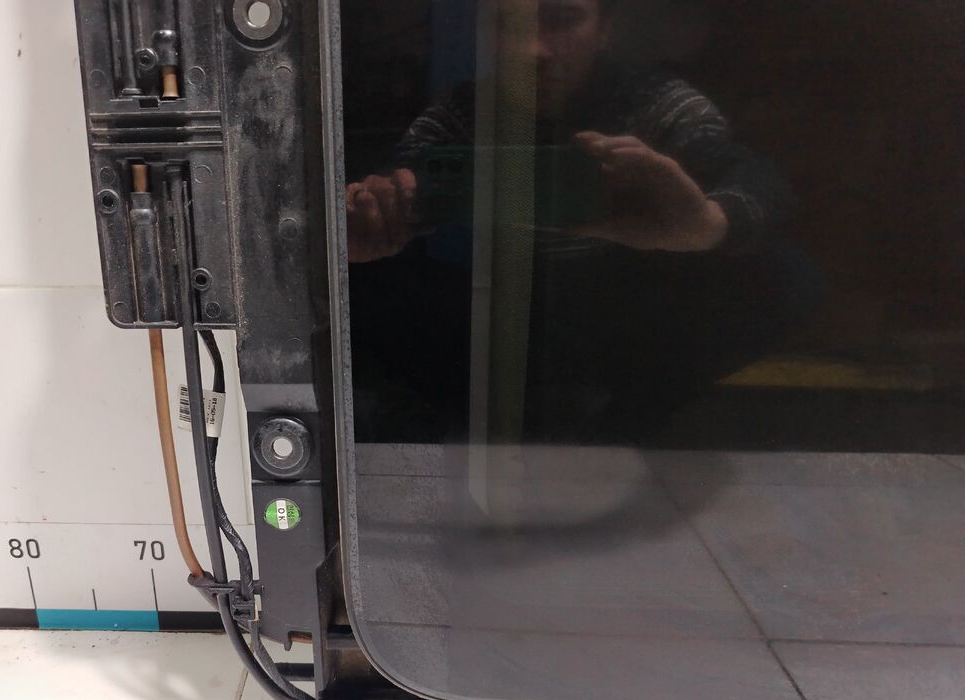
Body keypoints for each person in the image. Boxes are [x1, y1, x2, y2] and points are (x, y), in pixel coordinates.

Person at [346, 0, 820, 444]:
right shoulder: (464, 111)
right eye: (512, 25)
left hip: (629, 307)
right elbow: (405, 172)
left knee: (785, 277)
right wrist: (374, 215)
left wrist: (706, 224)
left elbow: (754, 180)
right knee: (360, 275)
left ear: (604, 29)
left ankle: (623, 420)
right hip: (505, 310)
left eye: (562, 19)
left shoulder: (656, 101)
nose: (534, 50)